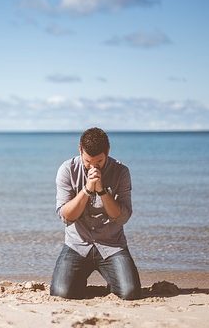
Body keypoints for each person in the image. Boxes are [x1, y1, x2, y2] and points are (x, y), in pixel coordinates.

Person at [50, 127, 141, 300]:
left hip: (112, 245)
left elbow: (122, 217)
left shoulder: (121, 171)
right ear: (80, 150)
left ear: (107, 152)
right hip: (77, 244)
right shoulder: (68, 169)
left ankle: (113, 281)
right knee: (60, 294)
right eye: (87, 161)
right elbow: (66, 216)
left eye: (98, 161)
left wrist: (101, 191)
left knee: (130, 293)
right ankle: (77, 282)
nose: (93, 166)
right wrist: (86, 190)